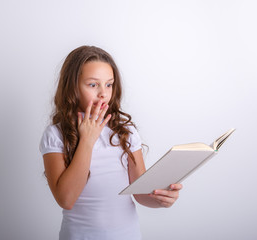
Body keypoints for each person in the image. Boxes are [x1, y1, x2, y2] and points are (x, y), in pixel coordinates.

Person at [39, 45, 183, 240]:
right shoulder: (56, 135)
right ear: (72, 87)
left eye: (109, 84)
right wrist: (87, 140)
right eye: (93, 85)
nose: (103, 93)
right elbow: (66, 199)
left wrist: (161, 199)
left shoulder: (126, 132)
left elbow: (140, 193)